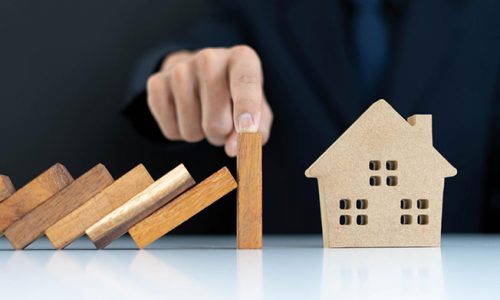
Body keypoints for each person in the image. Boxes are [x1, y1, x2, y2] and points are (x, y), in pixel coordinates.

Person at [124, 0, 500, 233]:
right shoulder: (256, 8)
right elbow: (185, 55)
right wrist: (178, 76)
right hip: (286, 280)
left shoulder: (487, 14)